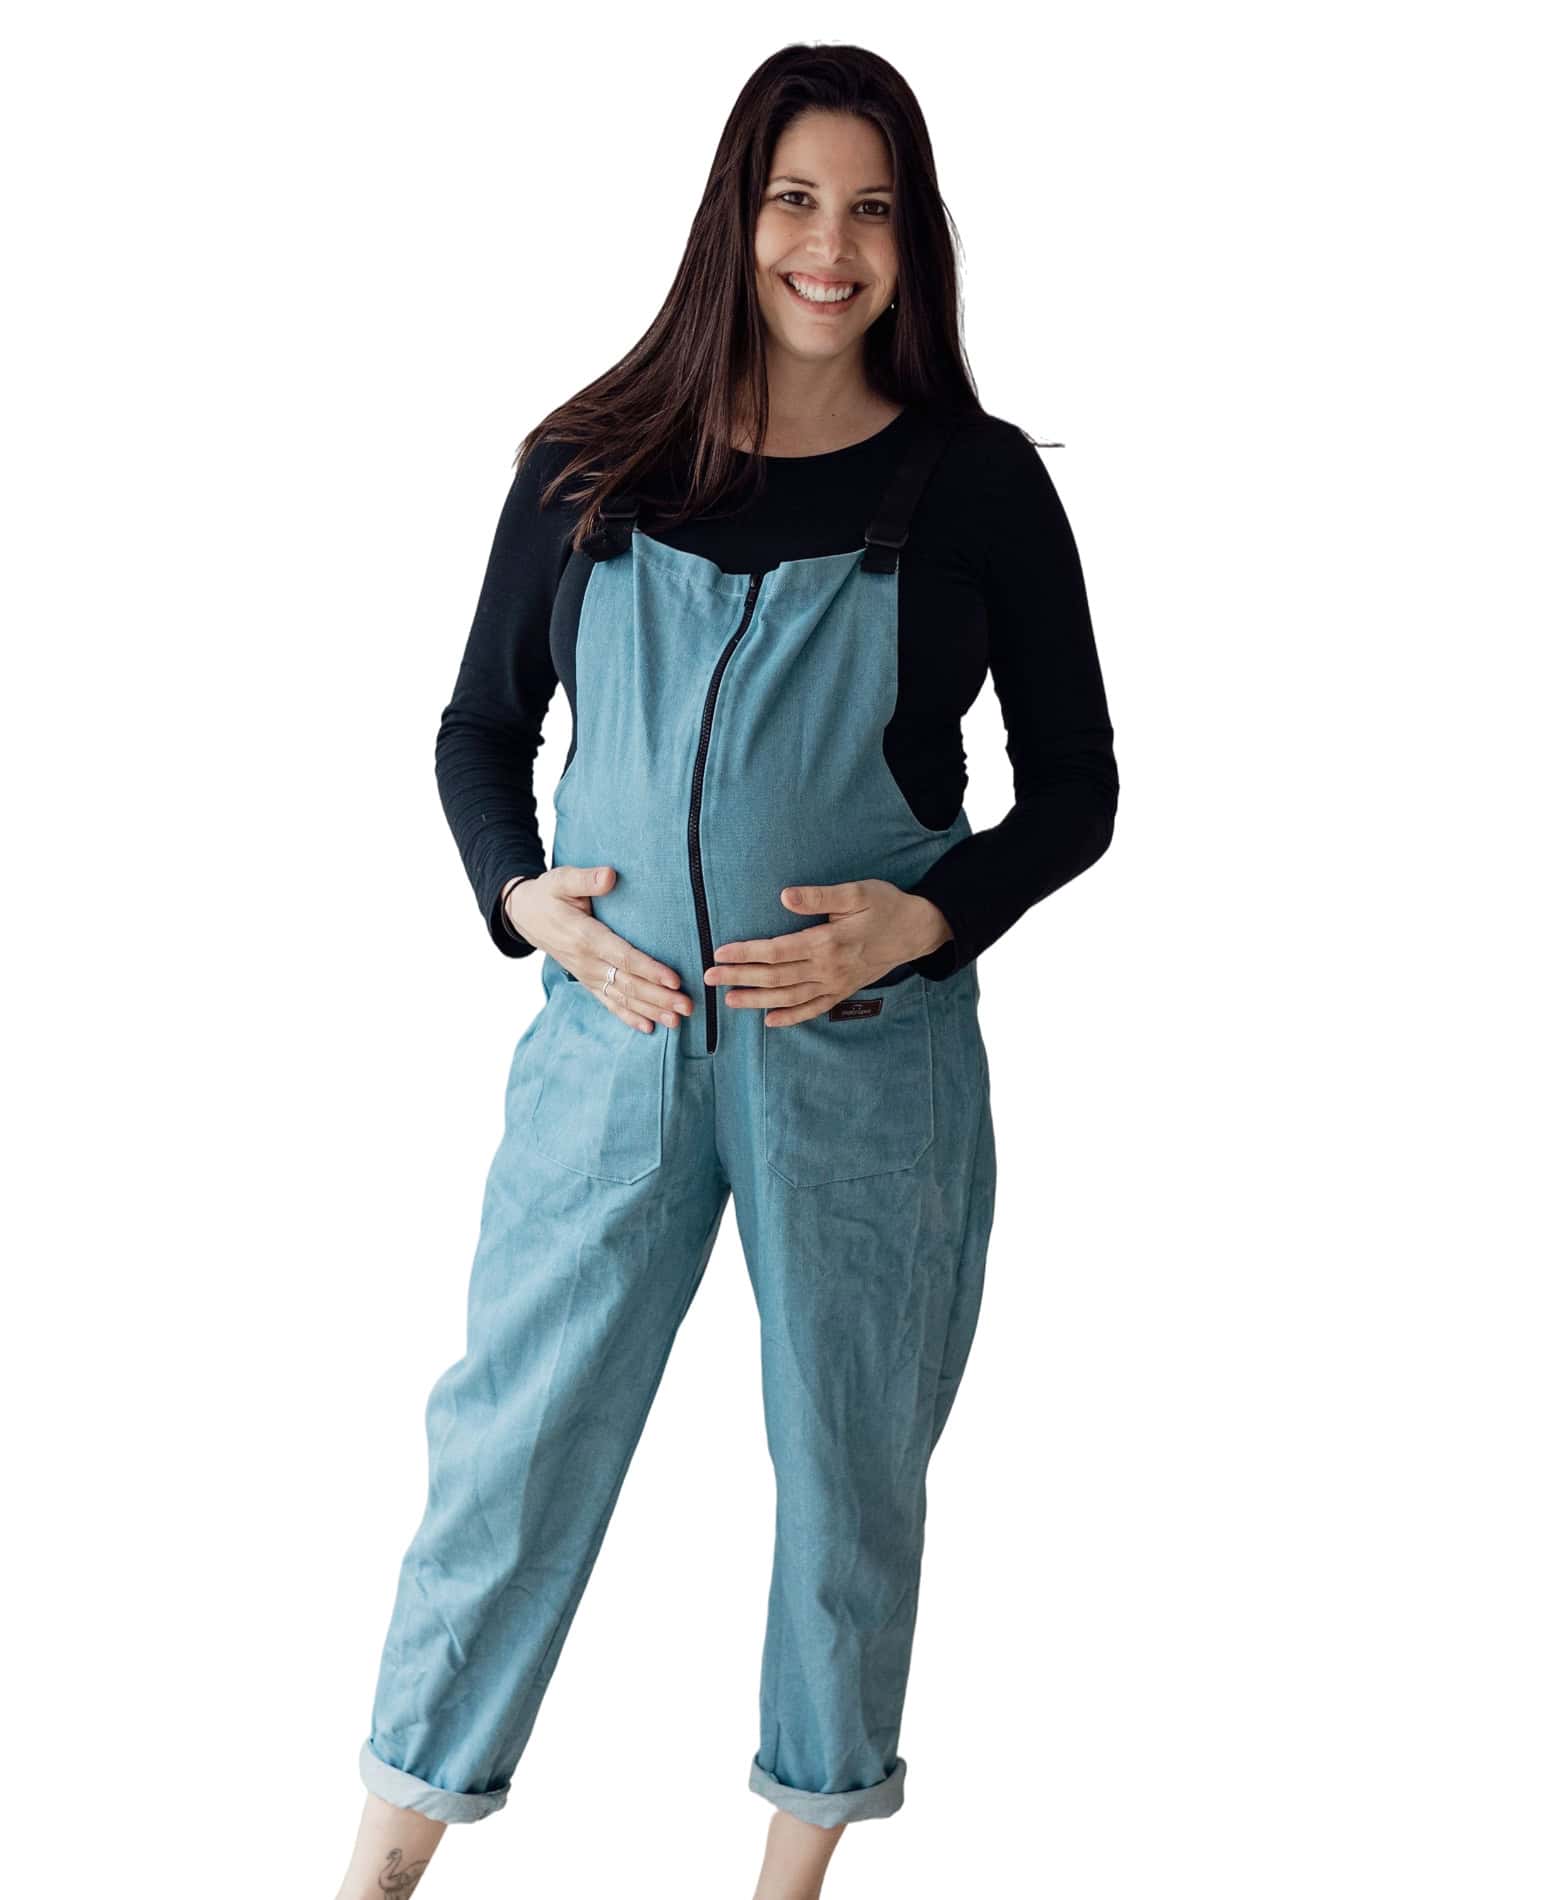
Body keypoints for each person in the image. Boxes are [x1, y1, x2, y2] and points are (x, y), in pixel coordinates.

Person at [334, 42, 1118, 1900]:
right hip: (610, 1042)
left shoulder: (973, 483)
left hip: (864, 1059)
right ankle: (376, 1867)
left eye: (870, 209)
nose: (827, 248)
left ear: (914, 241)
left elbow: (1076, 789)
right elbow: (475, 729)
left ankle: (791, 1879)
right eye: (794, 201)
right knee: (512, 1448)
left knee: (848, 1469)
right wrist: (519, 899)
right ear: (733, 218)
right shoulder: (588, 459)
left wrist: (929, 917)